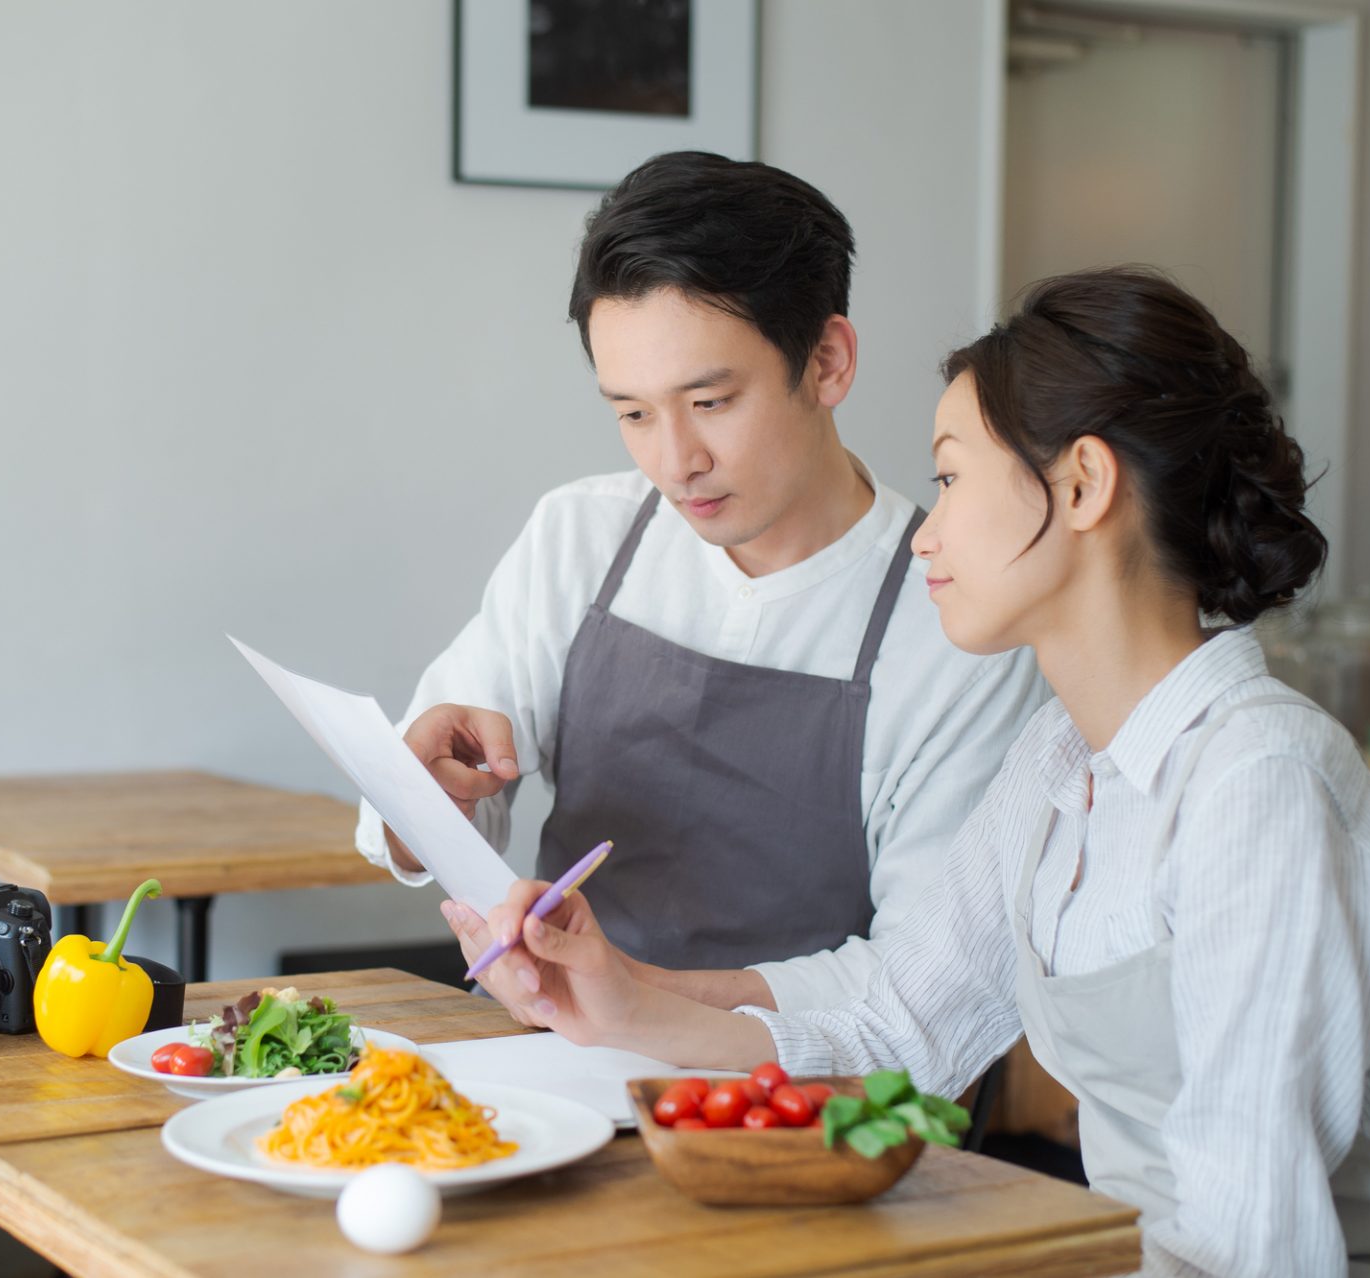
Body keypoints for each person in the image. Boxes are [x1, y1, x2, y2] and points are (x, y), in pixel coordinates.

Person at [459, 268, 1370, 1276]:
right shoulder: (1058, 763)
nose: (927, 533)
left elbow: (1257, 1243)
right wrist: (620, 1001)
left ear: (1083, 485)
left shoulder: (1259, 787)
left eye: (950, 480)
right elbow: (899, 1032)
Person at [355, 151, 1045, 1010]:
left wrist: (638, 999)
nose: (675, 462)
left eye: (711, 402)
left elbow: (922, 980)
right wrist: (422, 804)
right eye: (634, 414)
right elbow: (427, 813)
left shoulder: (956, 617)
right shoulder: (581, 536)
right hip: (547, 1063)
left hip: (788, 1101)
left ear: (827, 361)